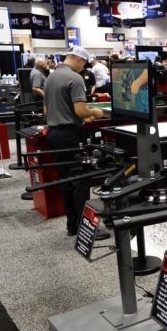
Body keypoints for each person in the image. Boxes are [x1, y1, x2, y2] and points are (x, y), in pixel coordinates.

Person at [43, 45, 107, 240]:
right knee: (80, 181)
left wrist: (77, 115)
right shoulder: (75, 78)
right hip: (70, 135)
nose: (84, 68)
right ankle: (85, 228)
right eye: (84, 64)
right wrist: (95, 113)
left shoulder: (51, 77)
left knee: (66, 180)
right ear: (79, 59)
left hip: (54, 133)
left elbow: (47, 111)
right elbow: (80, 110)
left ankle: (72, 225)